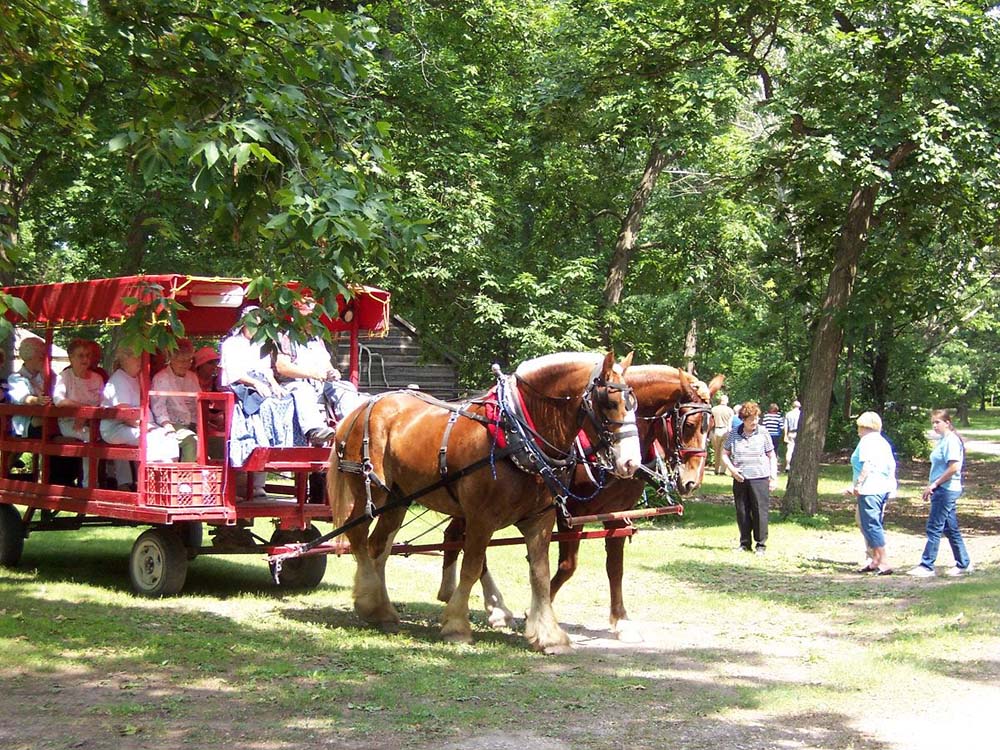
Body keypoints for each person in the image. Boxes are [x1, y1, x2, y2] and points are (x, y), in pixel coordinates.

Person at [101, 344, 180, 488]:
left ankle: (168, 479)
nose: (140, 361)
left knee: (170, 437)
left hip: (136, 425)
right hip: (116, 428)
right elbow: (125, 413)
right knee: (152, 438)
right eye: (136, 357)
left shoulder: (137, 378)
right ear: (125, 359)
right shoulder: (119, 379)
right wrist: (147, 427)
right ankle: (150, 484)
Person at [907, 409, 973, 578]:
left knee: (934, 526)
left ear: (947, 423)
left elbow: (954, 467)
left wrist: (935, 484)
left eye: (938, 422)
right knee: (950, 528)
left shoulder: (951, 441)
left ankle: (927, 565)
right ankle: (964, 563)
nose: (935, 426)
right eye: (933, 423)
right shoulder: (944, 440)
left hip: (946, 489)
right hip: (942, 489)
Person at [273, 295, 337, 445]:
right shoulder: (285, 337)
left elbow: (327, 365)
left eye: (313, 317)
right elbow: (282, 367)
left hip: (321, 385)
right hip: (293, 385)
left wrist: (333, 372)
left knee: (346, 388)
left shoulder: (317, 339)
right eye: (307, 317)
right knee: (304, 390)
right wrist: (312, 374)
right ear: (296, 318)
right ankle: (315, 431)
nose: (311, 321)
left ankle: (353, 426)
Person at [721, 401, 777, 555]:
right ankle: (745, 543)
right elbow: (724, 454)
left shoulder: (763, 432)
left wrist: (773, 477)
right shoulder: (734, 433)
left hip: (760, 477)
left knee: (760, 511)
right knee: (742, 511)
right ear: (744, 419)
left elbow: (771, 455)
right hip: (740, 478)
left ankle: (760, 544)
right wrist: (732, 470)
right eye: (751, 419)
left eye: (756, 418)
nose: (755, 422)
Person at [845, 411, 897, 575]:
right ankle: (875, 559)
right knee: (865, 522)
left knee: (872, 524)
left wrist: (858, 485)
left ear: (865, 426)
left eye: (859, 426)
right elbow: (891, 466)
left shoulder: (867, 441)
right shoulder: (882, 442)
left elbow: (868, 465)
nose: (858, 430)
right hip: (882, 487)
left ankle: (884, 562)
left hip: (870, 488)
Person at [52, 338, 105, 486]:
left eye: (88, 355)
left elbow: (103, 403)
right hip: (69, 423)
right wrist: (82, 411)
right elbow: (59, 401)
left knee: (110, 436)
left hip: (93, 421)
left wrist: (86, 415)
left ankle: (120, 482)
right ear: (71, 357)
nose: (85, 359)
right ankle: (89, 484)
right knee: (90, 437)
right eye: (80, 355)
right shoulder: (65, 376)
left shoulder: (97, 378)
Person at [150, 339, 200, 462]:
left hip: (193, 422)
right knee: (191, 441)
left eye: (188, 360)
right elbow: (158, 406)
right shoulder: (161, 378)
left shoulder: (192, 377)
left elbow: (199, 401)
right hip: (172, 423)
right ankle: (185, 478)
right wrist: (167, 425)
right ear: (171, 359)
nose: (185, 364)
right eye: (181, 360)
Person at [7, 337, 50, 438]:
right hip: (25, 424)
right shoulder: (15, 378)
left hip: (47, 419)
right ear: (29, 357)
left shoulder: (46, 375)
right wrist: (37, 400)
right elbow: (24, 398)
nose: (45, 360)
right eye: (41, 357)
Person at [710, 394, 735, 475]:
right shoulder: (730, 410)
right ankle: (722, 470)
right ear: (726, 401)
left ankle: (716, 469)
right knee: (723, 452)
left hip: (715, 430)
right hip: (725, 430)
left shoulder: (714, 409)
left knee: (716, 451)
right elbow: (730, 424)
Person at [783, 399, 801, 472]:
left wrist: (785, 435)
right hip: (799, 433)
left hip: (791, 433)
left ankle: (788, 465)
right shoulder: (801, 414)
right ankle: (797, 465)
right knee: (798, 450)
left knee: (790, 450)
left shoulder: (788, 414)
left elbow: (785, 426)